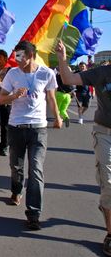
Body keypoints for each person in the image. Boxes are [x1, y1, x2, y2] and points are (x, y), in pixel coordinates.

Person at [0, 40, 62, 230]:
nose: (17, 60)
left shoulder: (46, 73)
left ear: (31, 55)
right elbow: (1, 99)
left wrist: (57, 118)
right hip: (16, 127)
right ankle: (16, 190)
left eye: (20, 56)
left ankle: (33, 213)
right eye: (16, 56)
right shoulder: (12, 74)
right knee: (16, 167)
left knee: (36, 169)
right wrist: (13, 96)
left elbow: (51, 97)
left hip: (38, 128)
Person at [56, 40, 111, 256]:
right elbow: (68, 79)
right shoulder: (102, 72)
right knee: (108, 183)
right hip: (105, 133)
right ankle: (110, 234)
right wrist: (62, 57)